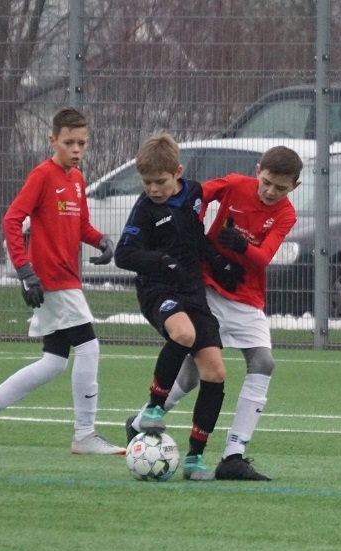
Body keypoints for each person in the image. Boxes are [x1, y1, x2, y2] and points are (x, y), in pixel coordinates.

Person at [125, 145, 302, 481]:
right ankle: (141, 421)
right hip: (207, 288)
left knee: (263, 362)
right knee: (196, 374)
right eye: (266, 182)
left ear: (295, 186)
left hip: (247, 296)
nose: (270, 191)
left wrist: (241, 246)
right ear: (258, 170)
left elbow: (263, 257)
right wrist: (195, 239)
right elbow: (193, 199)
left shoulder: (286, 214)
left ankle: (233, 455)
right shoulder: (234, 184)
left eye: (280, 188)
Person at [0, 106, 124, 456]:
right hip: (53, 280)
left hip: (67, 280)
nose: (76, 150)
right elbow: (11, 220)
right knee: (89, 347)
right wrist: (24, 270)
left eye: (82, 143)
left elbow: (80, 226)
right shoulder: (42, 176)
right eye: (69, 143)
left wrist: (101, 240)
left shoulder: (77, 180)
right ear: (53, 140)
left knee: (54, 362)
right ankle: (84, 434)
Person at [113, 132, 245, 481]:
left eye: (160, 181)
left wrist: (219, 262)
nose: (153, 189)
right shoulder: (144, 209)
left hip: (192, 291)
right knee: (183, 334)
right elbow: (123, 254)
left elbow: (195, 236)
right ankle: (153, 409)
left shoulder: (195, 194)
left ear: (178, 173)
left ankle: (194, 459)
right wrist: (160, 261)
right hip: (157, 290)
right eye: (146, 182)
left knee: (215, 372)